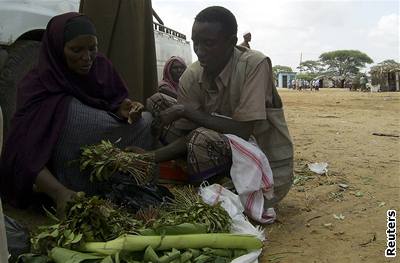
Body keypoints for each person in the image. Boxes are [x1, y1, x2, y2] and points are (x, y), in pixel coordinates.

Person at [0, 13, 154, 212]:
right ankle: (69, 188)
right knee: (68, 110)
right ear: (57, 49)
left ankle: (113, 186)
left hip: (103, 147)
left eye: (92, 48)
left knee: (148, 122)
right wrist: (58, 192)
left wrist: (124, 108)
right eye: (76, 50)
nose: (87, 58)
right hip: (60, 166)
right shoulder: (37, 85)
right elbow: (23, 148)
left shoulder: (101, 67)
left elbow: (114, 101)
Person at [147, 6, 293, 208]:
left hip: (263, 166)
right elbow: (185, 134)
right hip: (216, 149)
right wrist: (150, 155)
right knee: (157, 101)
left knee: (200, 138)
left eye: (208, 43)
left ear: (232, 42)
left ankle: (213, 198)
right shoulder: (192, 74)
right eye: (196, 42)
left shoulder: (254, 65)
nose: (199, 51)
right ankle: (192, 176)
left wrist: (151, 156)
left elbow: (243, 130)